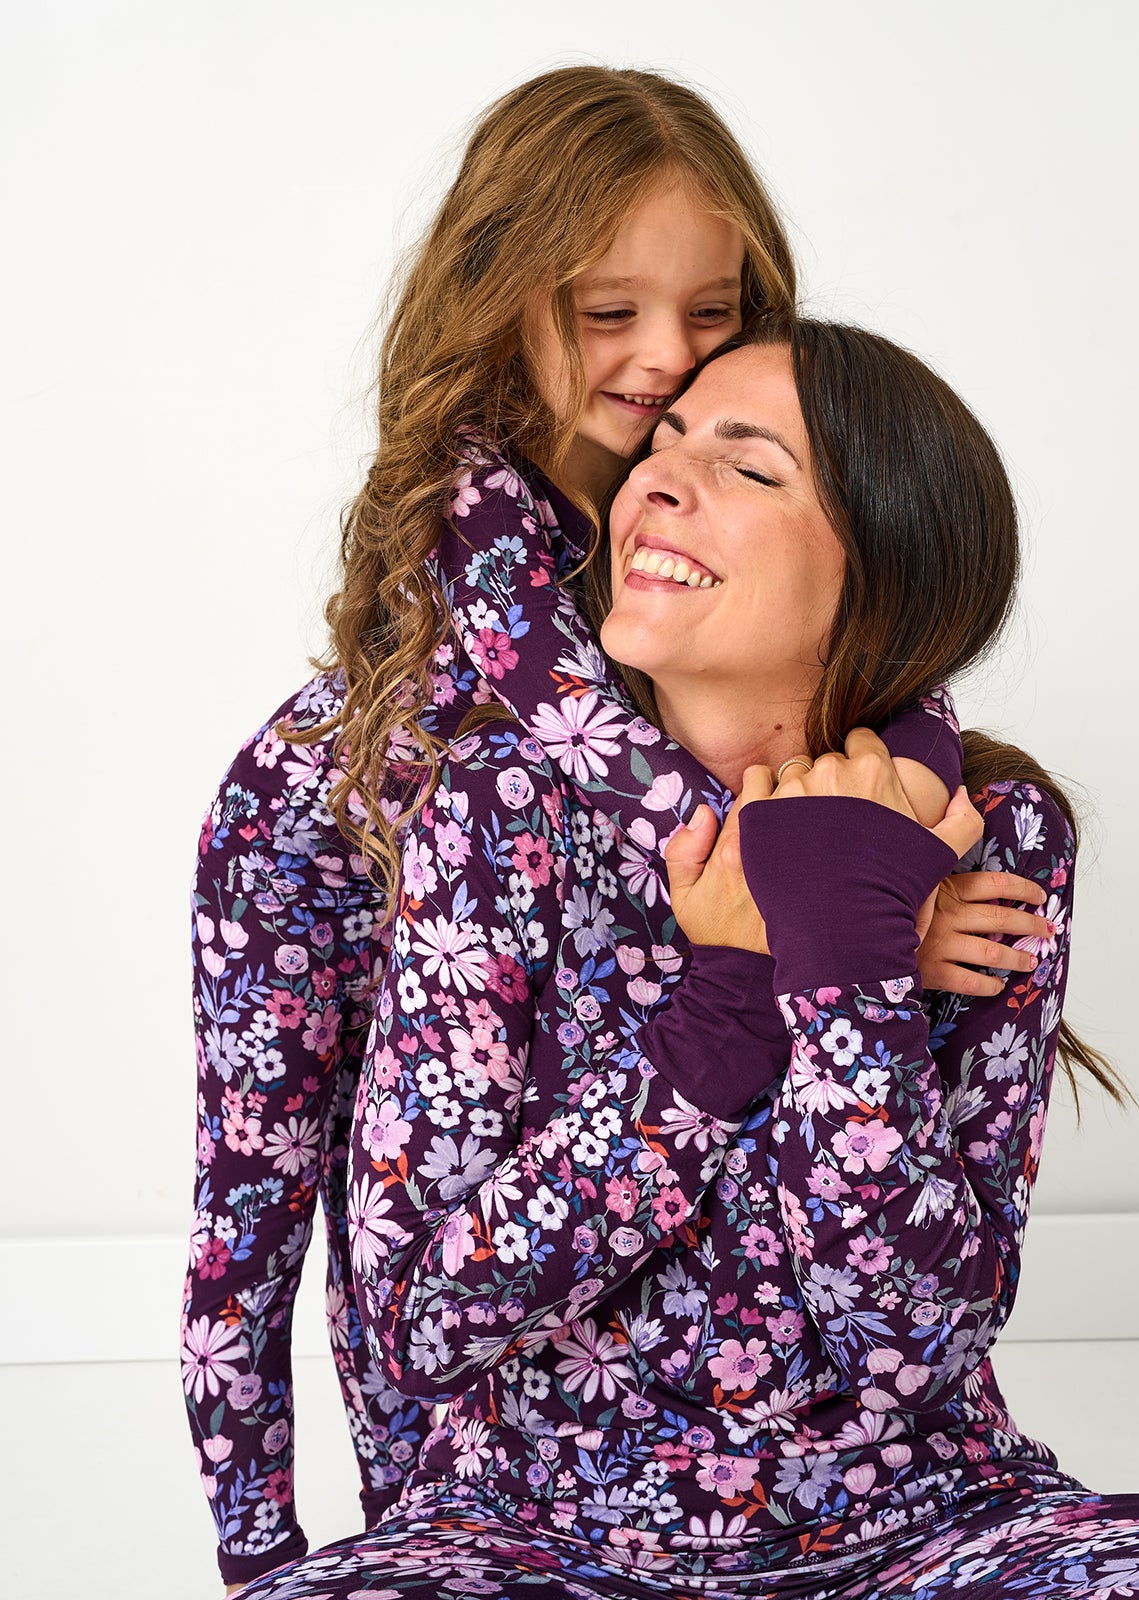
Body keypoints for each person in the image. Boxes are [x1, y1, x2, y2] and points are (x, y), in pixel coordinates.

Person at [225, 322, 1139, 1598]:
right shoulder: (499, 808)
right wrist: (727, 1002)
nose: (656, 481)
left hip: (925, 1527)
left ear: (881, 571)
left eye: (747, 465)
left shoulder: (994, 836)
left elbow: (909, 1344)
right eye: (664, 444)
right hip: (534, 1536)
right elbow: (423, 1323)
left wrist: (843, 947)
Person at [183, 68, 1028, 1592]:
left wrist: (857, 898)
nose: (663, 361)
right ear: (497, 304)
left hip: (852, 1474)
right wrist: (267, 1555)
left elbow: (882, 645)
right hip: (500, 1459)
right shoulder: (382, 768)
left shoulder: (855, 722)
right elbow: (257, 1206)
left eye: (713, 312)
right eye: (606, 310)